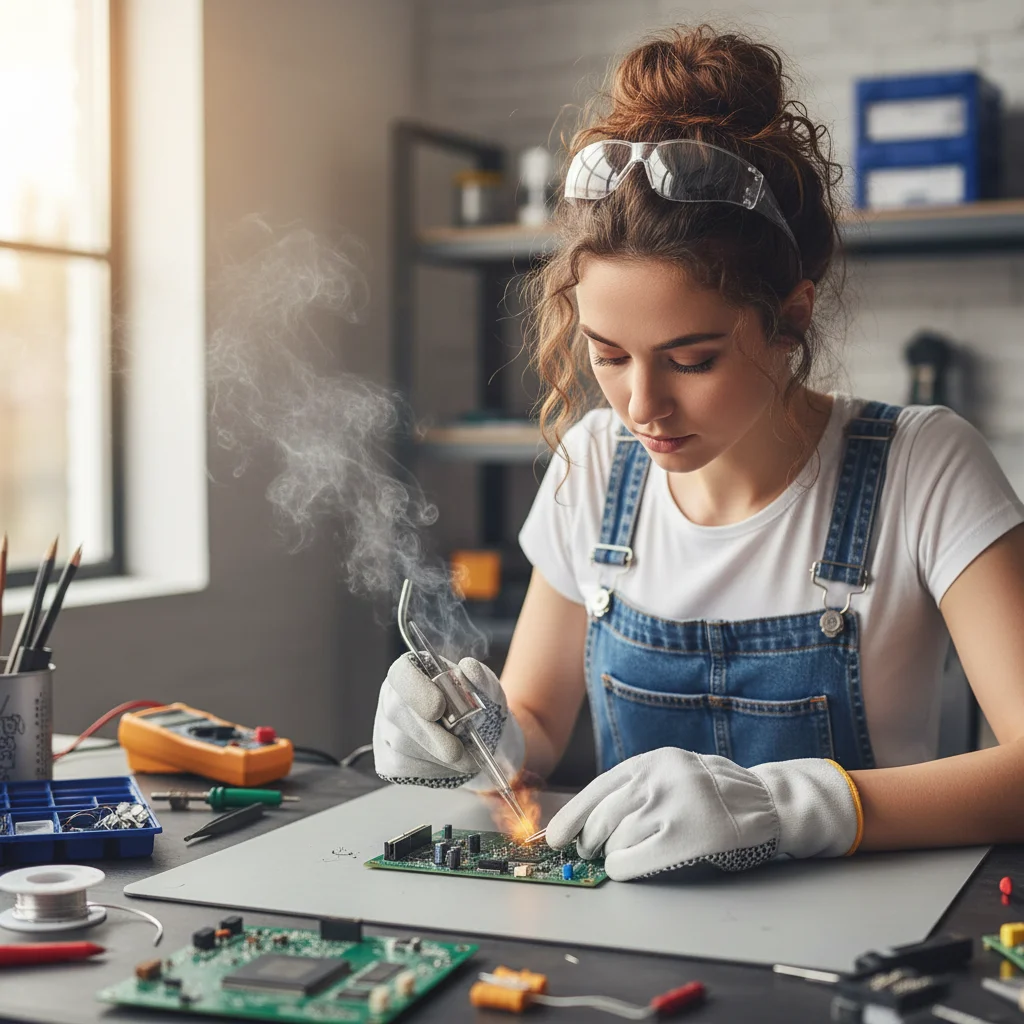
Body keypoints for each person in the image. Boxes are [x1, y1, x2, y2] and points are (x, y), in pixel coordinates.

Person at [373, 25, 1024, 880]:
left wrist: (792, 810)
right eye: (607, 355)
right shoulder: (597, 460)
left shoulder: (923, 466)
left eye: (693, 360)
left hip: (859, 949)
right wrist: (469, 732)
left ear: (791, 317)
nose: (643, 406)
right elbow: (533, 716)